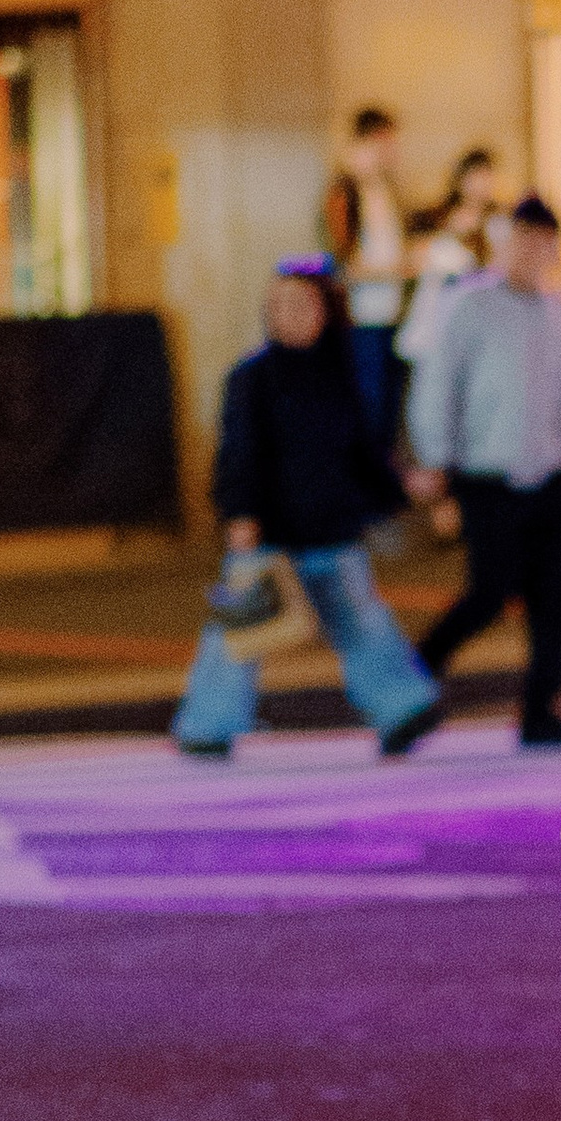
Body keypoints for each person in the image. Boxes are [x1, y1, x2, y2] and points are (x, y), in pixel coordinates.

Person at [174, 258, 443, 759]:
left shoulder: (340, 376)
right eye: (278, 306)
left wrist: (401, 489)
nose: (289, 315)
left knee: (363, 624)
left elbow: (363, 454)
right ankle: (205, 726)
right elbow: (237, 452)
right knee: (238, 634)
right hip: (269, 532)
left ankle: (402, 710)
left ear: (326, 311)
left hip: (331, 532)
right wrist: (239, 514)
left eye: (301, 304)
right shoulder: (252, 377)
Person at [405, 194, 561, 748]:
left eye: (545, 241)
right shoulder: (468, 305)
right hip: (488, 471)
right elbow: (437, 386)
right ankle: (413, 676)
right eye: (524, 240)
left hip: (551, 472)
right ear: (504, 243)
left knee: (553, 599)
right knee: (489, 592)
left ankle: (540, 712)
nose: (535, 252)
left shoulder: (558, 310)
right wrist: (435, 460)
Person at [323, 106, 410, 445]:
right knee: (367, 408)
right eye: (384, 144)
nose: (391, 153)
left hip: (393, 316)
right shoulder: (344, 192)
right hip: (360, 319)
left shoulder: (388, 192)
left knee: (389, 410)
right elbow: (344, 266)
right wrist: (398, 270)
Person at [399, 147, 504, 372]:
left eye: (486, 176)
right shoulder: (436, 218)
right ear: (461, 178)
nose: (480, 184)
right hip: (437, 312)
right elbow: (415, 259)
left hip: (480, 316)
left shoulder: (499, 221)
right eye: (475, 176)